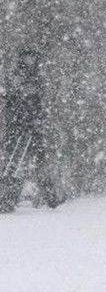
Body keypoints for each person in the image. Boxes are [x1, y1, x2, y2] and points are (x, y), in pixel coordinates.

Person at [1, 49, 64, 213]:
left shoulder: (38, 77)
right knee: (14, 164)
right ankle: (6, 200)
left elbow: (40, 101)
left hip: (34, 127)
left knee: (40, 161)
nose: (30, 61)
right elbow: (12, 99)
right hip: (18, 128)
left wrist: (39, 117)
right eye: (27, 58)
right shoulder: (16, 76)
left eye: (33, 58)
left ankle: (51, 199)